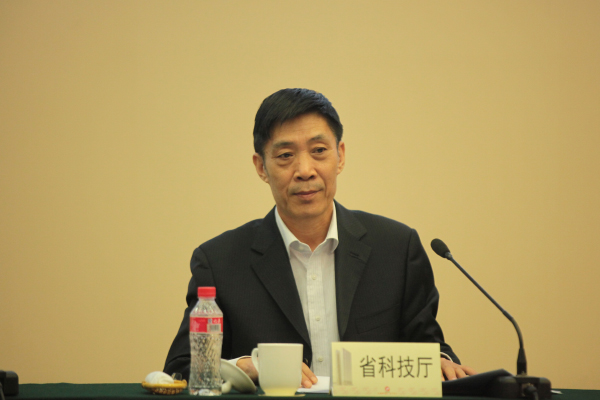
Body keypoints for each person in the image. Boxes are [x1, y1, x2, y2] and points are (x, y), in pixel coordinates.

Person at [164, 88, 476, 387]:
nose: (305, 170)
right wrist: (245, 367)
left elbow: (428, 348)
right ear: (261, 167)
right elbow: (180, 370)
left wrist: (442, 362)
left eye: (319, 151)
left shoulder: (396, 248)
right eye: (285, 155)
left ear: (340, 156)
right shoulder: (220, 262)